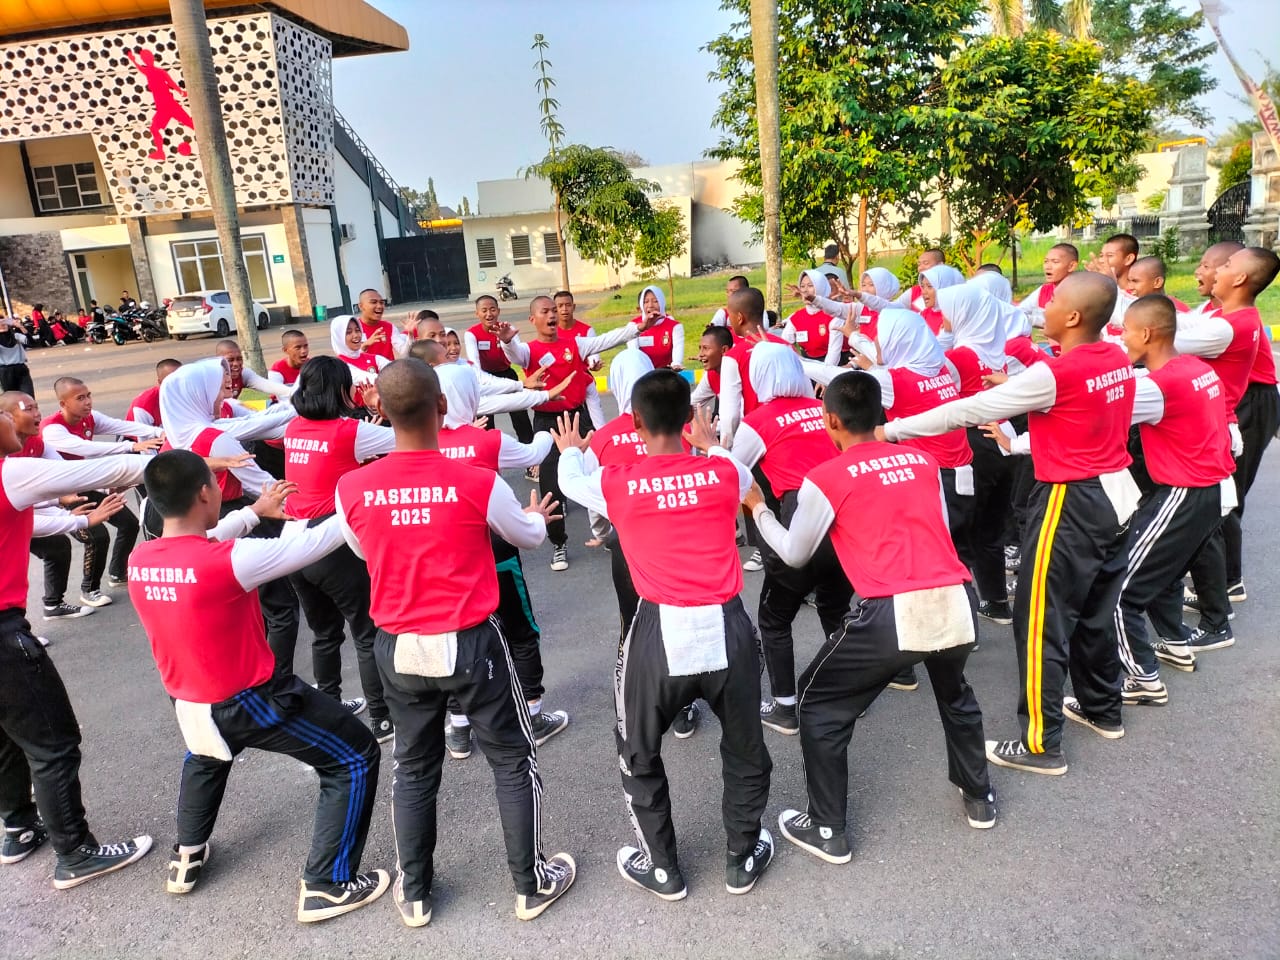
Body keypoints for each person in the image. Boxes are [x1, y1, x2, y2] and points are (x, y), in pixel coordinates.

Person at [334, 358, 576, 926]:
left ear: (379, 411)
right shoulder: (477, 481)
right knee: (513, 759)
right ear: (442, 408)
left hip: (396, 642)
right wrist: (536, 515)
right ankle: (530, 883)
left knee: (414, 768)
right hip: (472, 641)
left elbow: (366, 551)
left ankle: (414, 893)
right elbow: (529, 538)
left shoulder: (353, 487)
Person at [881, 272, 1139, 775]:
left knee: (1040, 619)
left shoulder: (1054, 375)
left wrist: (890, 428)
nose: (1043, 304)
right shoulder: (1114, 356)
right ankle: (1102, 709)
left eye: (1055, 299)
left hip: (1071, 500)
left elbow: (965, 410)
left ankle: (1042, 744)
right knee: (1094, 609)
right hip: (1115, 492)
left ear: (1072, 317)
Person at [129, 450, 389, 922]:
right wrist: (362, 499)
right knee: (354, 756)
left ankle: (186, 857)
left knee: (208, 755)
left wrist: (252, 513)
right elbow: (312, 545)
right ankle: (326, 885)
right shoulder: (227, 562)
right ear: (206, 494)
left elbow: (203, 540)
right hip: (253, 700)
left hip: (191, 701)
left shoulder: (140, 558)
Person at [746, 371, 993, 861]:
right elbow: (940, 530)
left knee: (817, 704)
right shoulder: (922, 461)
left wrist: (758, 509)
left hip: (893, 609)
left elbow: (795, 555)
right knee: (955, 694)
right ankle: (979, 798)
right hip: (956, 596)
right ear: (881, 413)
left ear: (830, 420)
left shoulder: (826, 477)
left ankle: (827, 829)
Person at [556, 372, 774, 902]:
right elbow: (737, 469)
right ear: (687, 421)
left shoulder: (617, 482)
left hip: (657, 632)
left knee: (638, 749)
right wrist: (711, 444)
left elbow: (569, 481)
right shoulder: (722, 471)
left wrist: (573, 449)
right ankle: (740, 858)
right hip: (727, 624)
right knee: (745, 747)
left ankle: (662, 868)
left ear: (632, 423)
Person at [0, 408, 154, 887]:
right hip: (4, 639)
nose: (11, 417)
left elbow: (27, 522)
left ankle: (19, 827)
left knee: (7, 737)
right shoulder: (11, 470)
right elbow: (95, 469)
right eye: (3, 414)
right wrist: (176, 461)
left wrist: (76, 518)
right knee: (54, 743)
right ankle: (76, 853)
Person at [801, 308, 977, 687]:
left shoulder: (895, 380)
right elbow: (879, 357)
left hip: (928, 473)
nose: (879, 344)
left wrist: (795, 359)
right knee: (953, 552)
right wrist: (857, 336)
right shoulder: (944, 366)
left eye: (884, 338)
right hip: (962, 472)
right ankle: (962, 621)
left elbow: (845, 381)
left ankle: (911, 653)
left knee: (916, 558)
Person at [433, 363, 571, 755]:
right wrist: (549, 432)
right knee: (521, 631)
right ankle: (533, 714)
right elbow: (534, 451)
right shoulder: (488, 441)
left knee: (458, 636)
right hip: (496, 548)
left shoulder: (422, 443)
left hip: (446, 556)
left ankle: (458, 726)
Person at [160, 360, 312, 709]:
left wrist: (293, 408)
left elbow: (254, 423)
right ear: (198, 393)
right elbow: (262, 483)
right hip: (227, 517)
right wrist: (309, 505)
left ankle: (242, 683)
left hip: (188, 528)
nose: (223, 392)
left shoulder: (178, 430)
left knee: (237, 610)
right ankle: (278, 691)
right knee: (282, 608)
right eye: (217, 387)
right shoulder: (214, 437)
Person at [1109, 295, 1236, 703]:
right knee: (1162, 573)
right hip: (1209, 491)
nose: (1122, 336)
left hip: (1183, 492)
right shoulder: (1197, 368)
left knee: (1119, 589)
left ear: (1145, 333)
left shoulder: (1158, 386)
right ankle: (1176, 643)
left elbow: (1098, 415)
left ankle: (1143, 679)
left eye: (1126, 329)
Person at [723, 344, 853, 733]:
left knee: (775, 617)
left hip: (800, 515)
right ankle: (849, 694)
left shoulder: (760, 421)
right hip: (844, 517)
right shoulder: (822, 410)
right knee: (836, 609)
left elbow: (732, 472)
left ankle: (785, 707)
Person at [282, 357, 397, 742]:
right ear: (342, 390)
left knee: (324, 632)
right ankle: (381, 717)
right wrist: (376, 407)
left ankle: (326, 708)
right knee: (366, 630)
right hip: (333, 541)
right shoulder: (348, 431)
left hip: (294, 542)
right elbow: (407, 434)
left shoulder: (293, 426)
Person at [498, 295, 649, 572]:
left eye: (554, 310)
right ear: (534, 319)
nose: (553, 314)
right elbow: (515, 355)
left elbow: (608, 339)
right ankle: (559, 543)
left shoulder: (575, 344)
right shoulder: (528, 350)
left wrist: (639, 326)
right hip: (547, 421)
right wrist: (507, 341)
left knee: (600, 471)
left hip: (579, 417)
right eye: (546, 311)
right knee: (551, 484)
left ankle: (611, 530)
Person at [41, 377, 163, 607]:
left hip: (82, 482)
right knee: (96, 537)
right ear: (63, 403)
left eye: (88, 395)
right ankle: (89, 591)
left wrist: (159, 431)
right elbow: (86, 449)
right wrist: (129, 446)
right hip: (59, 493)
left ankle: (118, 573)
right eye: (80, 398)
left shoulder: (90, 418)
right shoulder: (52, 429)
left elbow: (122, 426)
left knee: (127, 523)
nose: (87, 402)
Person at [1, 391, 122, 622]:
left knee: (57, 547)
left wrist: (108, 488)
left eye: (37, 407)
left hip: (29, 518)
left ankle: (51, 606)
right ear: (6, 418)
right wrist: (75, 517)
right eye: (29, 409)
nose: (38, 415)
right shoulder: (11, 468)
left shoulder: (35, 443)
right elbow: (34, 511)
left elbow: (68, 476)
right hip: (26, 521)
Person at [933, 285, 1015, 625]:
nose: (944, 317)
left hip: (973, 443)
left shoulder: (960, 355)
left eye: (949, 311)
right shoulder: (996, 351)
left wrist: (943, 338)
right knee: (990, 529)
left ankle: (961, 618)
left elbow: (931, 377)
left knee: (962, 531)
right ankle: (996, 600)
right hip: (1002, 437)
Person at [464, 294, 535, 444]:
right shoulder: (471, 334)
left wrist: (506, 340)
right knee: (485, 422)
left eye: (492, 309)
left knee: (520, 417)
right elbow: (474, 364)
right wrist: (485, 381)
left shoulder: (508, 329)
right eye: (484, 310)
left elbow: (517, 357)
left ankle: (531, 458)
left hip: (507, 375)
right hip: (485, 380)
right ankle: (489, 459)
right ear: (477, 313)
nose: (489, 314)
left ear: (498, 311)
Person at [553, 290, 608, 430]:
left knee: (593, 421)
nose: (564, 309)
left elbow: (594, 355)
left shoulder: (587, 330)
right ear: (555, 309)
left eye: (568, 305)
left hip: (583, 379)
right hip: (560, 381)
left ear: (574, 307)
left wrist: (593, 364)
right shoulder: (551, 332)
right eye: (560, 306)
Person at [778, 271, 845, 366]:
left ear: (821, 288)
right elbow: (785, 345)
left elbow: (834, 354)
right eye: (802, 286)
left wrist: (822, 377)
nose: (805, 290)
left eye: (810, 286)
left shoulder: (834, 315)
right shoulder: (796, 317)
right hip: (806, 367)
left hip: (832, 367)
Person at [1018, 243, 1079, 331]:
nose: (1048, 267)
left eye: (1055, 262)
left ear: (1071, 266)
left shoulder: (1080, 291)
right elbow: (1020, 311)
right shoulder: (1044, 290)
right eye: (1046, 261)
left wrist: (1033, 320)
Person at [341, 288, 410, 362]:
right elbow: (347, 357)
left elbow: (404, 352)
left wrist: (410, 334)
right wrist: (364, 346)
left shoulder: (389, 327)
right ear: (361, 306)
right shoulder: (351, 329)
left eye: (381, 302)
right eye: (373, 302)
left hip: (387, 371)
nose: (379, 306)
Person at [628, 286, 685, 372]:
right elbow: (634, 353)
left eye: (655, 301)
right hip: (643, 374)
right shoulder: (634, 325)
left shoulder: (675, 327)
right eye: (646, 302)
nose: (650, 305)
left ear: (662, 303)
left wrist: (676, 363)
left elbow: (678, 349)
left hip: (666, 374)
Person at [690, 324, 733, 415]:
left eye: (705, 348)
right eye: (700, 348)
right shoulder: (711, 375)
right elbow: (691, 403)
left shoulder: (743, 373)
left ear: (724, 350)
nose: (700, 354)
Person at [129, 359, 182, 427]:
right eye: (171, 382)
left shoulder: (191, 394)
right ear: (160, 382)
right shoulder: (144, 405)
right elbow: (144, 436)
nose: (177, 384)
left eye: (181, 379)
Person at [0, 313, 32, 394]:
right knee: (12, 398)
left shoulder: (16, 336)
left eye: (4, 322)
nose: (2, 324)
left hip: (21, 368)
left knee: (28, 395)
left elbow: (31, 342)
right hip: (5, 372)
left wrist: (20, 326)